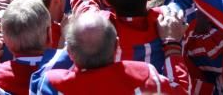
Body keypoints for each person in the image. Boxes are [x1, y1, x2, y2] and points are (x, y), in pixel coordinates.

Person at [38, 10, 190, 93]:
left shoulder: (51, 84)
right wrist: (172, 45)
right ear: (117, 45)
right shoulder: (144, 76)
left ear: (69, 52)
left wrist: (71, 42)